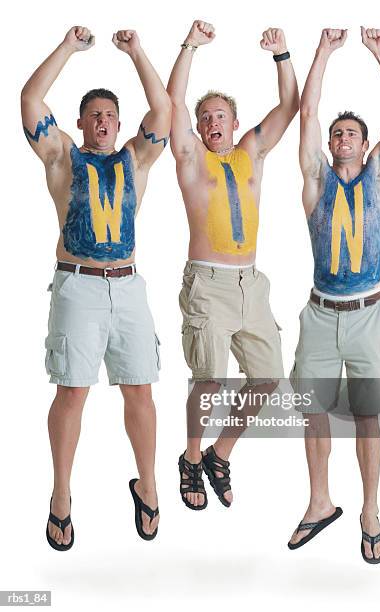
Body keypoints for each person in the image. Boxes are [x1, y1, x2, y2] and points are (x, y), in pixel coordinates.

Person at [21, 26, 171, 549]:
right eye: (94, 115)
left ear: (118, 123)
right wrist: (67, 47)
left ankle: (147, 483)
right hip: (78, 285)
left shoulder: (136, 157)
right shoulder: (63, 156)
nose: (103, 121)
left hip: (128, 286)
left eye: (110, 114)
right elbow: (31, 99)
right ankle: (61, 495)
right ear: (81, 122)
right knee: (72, 392)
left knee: (141, 391)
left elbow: (164, 114)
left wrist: (137, 51)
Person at [288, 27, 380, 563]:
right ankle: (319, 503)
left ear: (365, 145)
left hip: (368, 314)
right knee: (311, 410)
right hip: (320, 314)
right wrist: (323, 52)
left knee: (368, 416)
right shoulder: (316, 180)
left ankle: (369, 512)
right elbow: (308, 111)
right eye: (336, 133)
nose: (341, 138)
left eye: (351, 134)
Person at [167, 20, 299, 511]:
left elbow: (290, 106)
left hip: (252, 284)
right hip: (208, 283)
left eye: (219, 115)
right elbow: (172, 104)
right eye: (205, 118)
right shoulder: (191, 158)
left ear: (233, 120)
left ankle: (220, 455)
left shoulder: (251, 152)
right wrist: (190, 46)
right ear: (199, 128)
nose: (212, 123)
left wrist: (282, 54)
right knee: (210, 382)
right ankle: (191, 457)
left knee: (267, 380)